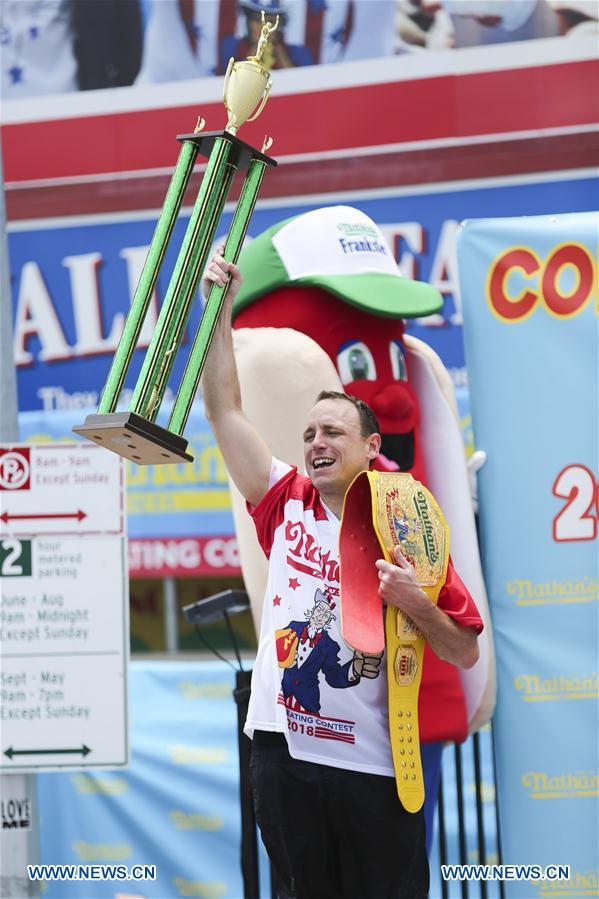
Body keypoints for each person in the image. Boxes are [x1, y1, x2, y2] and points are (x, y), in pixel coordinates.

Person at [201, 250, 484, 899]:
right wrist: (216, 309)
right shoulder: (284, 499)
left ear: (370, 447)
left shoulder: (409, 522)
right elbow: (224, 410)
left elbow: (462, 648)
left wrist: (415, 602)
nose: (315, 442)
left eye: (332, 431)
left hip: (376, 765)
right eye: (307, 433)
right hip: (284, 754)